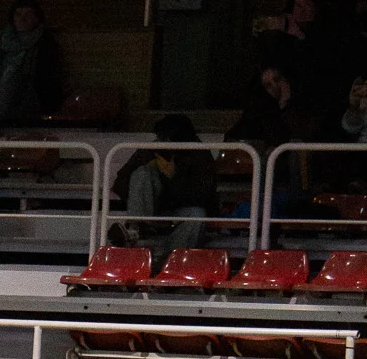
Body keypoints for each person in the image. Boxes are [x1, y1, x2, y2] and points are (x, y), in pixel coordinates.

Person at [113, 113, 217, 251]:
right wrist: (148, 192)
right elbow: (120, 181)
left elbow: (202, 196)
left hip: (181, 209)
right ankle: (135, 230)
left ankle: (171, 256)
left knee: (197, 215)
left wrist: (172, 179)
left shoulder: (200, 154)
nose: (161, 140)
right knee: (142, 172)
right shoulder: (151, 150)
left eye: (164, 137)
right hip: (151, 211)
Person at [0, 0, 64, 125]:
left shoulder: (44, 41)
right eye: (18, 15)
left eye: (28, 15)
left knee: (12, 71)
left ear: (36, 18)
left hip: (28, 95)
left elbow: (46, 78)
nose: (22, 19)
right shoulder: (3, 39)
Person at [226, 64, 322, 150]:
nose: (275, 86)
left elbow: (303, 134)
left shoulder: (305, 103)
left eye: (277, 80)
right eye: (268, 85)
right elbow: (233, 135)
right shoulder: (262, 110)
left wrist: (285, 103)